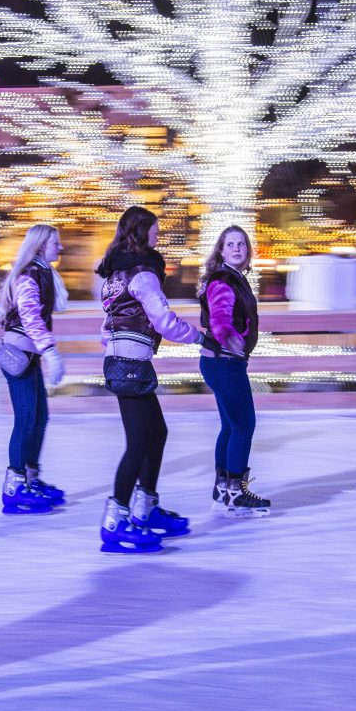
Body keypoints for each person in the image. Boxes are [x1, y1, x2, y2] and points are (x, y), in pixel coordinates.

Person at [95, 206, 220, 553]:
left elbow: (109, 322)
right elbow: (163, 321)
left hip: (121, 359)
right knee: (138, 443)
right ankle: (115, 520)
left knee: (156, 433)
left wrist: (114, 346)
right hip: (131, 361)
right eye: (155, 230)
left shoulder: (115, 274)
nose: (158, 235)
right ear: (141, 232)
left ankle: (145, 506)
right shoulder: (143, 273)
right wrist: (198, 336)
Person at [197, 225, 270, 517]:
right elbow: (220, 316)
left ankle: (223, 488)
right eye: (231, 244)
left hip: (221, 361)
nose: (238, 248)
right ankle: (236, 494)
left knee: (231, 425)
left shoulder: (235, 277)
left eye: (242, 244)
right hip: (224, 361)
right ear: (221, 250)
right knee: (243, 425)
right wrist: (230, 337)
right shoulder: (224, 279)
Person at [0, 224, 67, 514]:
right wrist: (50, 351)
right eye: (55, 243)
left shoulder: (43, 272)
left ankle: (30, 479)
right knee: (26, 419)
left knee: (40, 417)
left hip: (29, 353)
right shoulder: (29, 274)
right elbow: (29, 315)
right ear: (40, 246)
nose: (60, 248)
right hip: (19, 354)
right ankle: (14, 487)